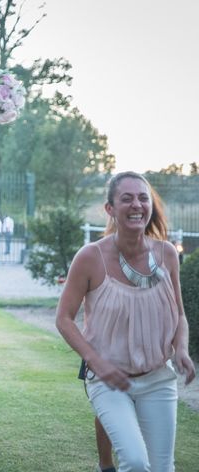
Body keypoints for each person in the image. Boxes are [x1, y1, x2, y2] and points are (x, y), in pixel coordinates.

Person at [55, 171, 195, 471]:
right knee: (133, 460)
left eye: (143, 198)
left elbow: (180, 314)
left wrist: (181, 349)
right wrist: (97, 362)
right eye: (127, 198)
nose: (137, 205)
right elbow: (64, 319)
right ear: (110, 209)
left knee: (161, 468)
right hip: (109, 381)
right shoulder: (90, 257)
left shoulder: (167, 253)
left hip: (158, 378)